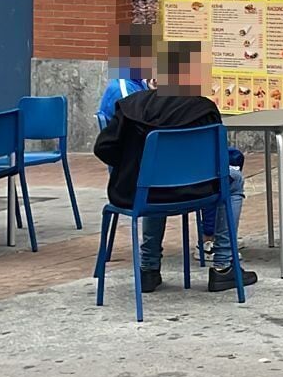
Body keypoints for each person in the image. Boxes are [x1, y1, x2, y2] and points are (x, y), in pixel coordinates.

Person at [93, 42, 256, 294]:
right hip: (197, 192)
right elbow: (218, 158)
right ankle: (223, 267)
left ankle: (148, 268)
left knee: (148, 178)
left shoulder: (130, 106)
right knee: (234, 179)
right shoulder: (204, 109)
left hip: (140, 194)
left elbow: (103, 149)